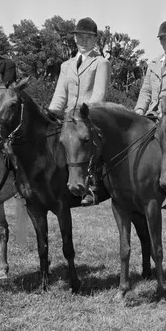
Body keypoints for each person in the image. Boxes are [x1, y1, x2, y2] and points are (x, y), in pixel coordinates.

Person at [48, 17, 111, 206]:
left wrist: (82, 114)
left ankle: (93, 186)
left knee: (89, 143)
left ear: (95, 40)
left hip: (88, 116)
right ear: (74, 39)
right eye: (79, 37)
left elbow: (99, 94)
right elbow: (60, 95)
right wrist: (52, 113)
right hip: (68, 118)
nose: (83, 41)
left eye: (87, 37)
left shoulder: (101, 63)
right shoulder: (65, 65)